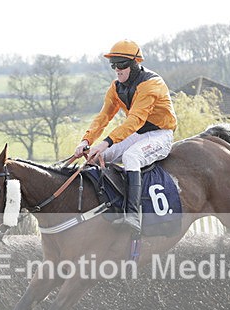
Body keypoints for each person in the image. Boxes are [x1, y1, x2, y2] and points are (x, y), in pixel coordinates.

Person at [73, 39, 177, 232]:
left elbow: (134, 120)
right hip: (139, 134)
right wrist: (86, 141)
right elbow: (103, 117)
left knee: (131, 156)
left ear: (135, 64)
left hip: (160, 135)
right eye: (113, 65)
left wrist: (105, 142)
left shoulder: (151, 84)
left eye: (121, 64)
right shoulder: (115, 87)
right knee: (97, 157)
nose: (117, 69)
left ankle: (133, 215)